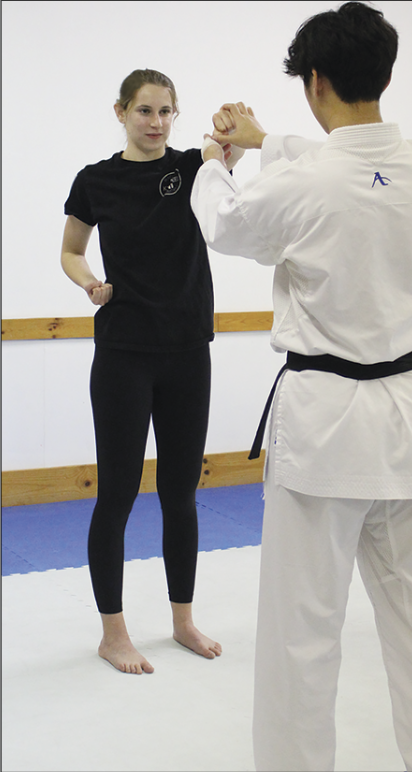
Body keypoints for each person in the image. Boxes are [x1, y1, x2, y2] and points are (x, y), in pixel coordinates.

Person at [189, 3, 412, 770]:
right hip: (411, 420)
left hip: (324, 430)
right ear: (383, 72)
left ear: (314, 82)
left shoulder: (303, 185)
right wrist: (266, 141)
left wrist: (218, 157)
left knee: (301, 639)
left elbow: (226, 222)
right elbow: (357, 165)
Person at [60, 69, 237, 675]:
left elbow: (222, 151)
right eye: (144, 110)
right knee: (116, 495)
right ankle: (114, 634)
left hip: (188, 350)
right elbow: (71, 249)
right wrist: (88, 282)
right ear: (121, 112)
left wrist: (229, 138)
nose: (156, 122)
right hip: (123, 355)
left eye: (166, 111)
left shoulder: (192, 168)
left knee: (180, 494)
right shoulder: (96, 181)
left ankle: (182, 621)